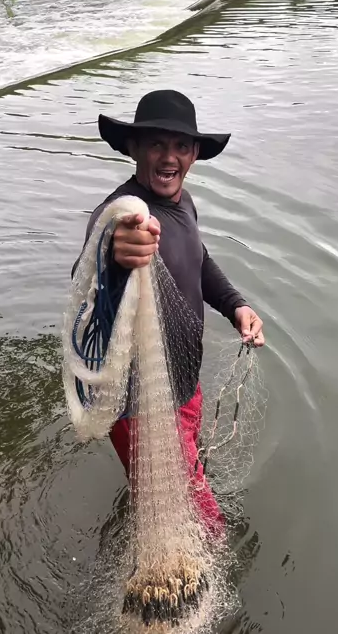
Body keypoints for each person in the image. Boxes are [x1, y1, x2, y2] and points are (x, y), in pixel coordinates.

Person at [74, 89, 264, 534]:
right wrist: (117, 254)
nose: (169, 157)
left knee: (172, 491)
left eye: (181, 145)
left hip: (184, 385)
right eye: (156, 143)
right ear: (134, 148)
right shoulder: (121, 216)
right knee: (206, 526)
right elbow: (89, 279)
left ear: (195, 153)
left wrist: (236, 305)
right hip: (139, 403)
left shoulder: (185, 202)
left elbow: (199, 259)